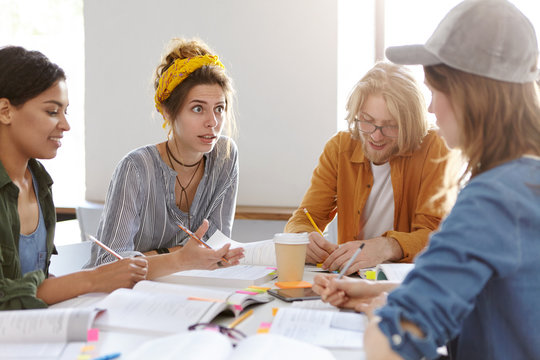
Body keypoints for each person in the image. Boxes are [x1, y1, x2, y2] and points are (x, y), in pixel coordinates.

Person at [314, 0, 540, 359]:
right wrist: (389, 299)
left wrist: (385, 318)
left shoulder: (492, 198)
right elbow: (497, 308)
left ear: (470, 95)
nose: (431, 108)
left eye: (435, 92)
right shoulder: (527, 183)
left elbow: (388, 348)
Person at [0, 46, 148, 310]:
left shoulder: (39, 183)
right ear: (5, 111)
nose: (66, 125)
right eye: (52, 111)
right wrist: (95, 279)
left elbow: (35, 282)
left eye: (65, 111)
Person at [86, 38, 244, 279]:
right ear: (167, 111)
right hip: (121, 297)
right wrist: (180, 257)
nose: (212, 121)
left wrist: (156, 256)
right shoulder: (136, 169)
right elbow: (109, 263)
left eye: (219, 108)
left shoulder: (225, 156)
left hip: (184, 291)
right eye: (198, 108)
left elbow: (216, 246)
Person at [285, 62, 450, 274]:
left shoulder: (436, 148)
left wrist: (388, 246)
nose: (376, 135)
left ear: (410, 123)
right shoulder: (339, 147)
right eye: (367, 121)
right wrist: (302, 237)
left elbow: (436, 234)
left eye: (390, 125)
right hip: (350, 281)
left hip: (410, 282)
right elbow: (303, 218)